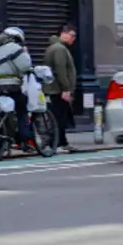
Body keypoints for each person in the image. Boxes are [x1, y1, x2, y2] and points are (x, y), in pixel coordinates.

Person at [0, 26, 34, 144]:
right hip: (11, 86)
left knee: (0, 110)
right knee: (22, 104)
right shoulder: (15, 48)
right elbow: (25, 66)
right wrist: (25, 54)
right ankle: (23, 135)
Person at [43, 23, 77, 152]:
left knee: (60, 117)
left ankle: (62, 142)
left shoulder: (57, 47)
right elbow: (60, 69)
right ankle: (56, 144)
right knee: (58, 117)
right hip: (57, 89)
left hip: (55, 88)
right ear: (63, 33)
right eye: (71, 35)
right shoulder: (59, 49)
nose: (73, 39)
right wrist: (66, 88)